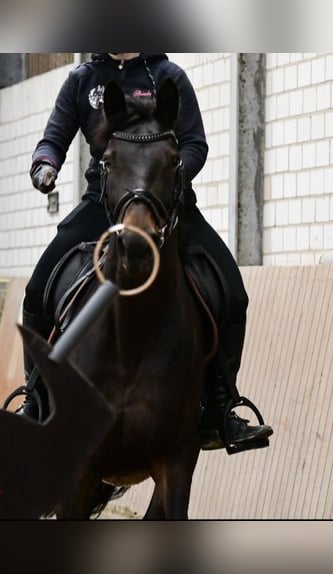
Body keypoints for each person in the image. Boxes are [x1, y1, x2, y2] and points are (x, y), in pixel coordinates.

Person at [18, 53, 272, 453]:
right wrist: (44, 164)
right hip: (103, 202)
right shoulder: (82, 80)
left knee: (232, 292)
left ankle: (220, 407)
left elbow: (194, 143)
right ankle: (35, 401)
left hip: (167, 206)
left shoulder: (170, 76)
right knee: (37, 291)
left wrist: (162, 182)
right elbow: (54, 138)